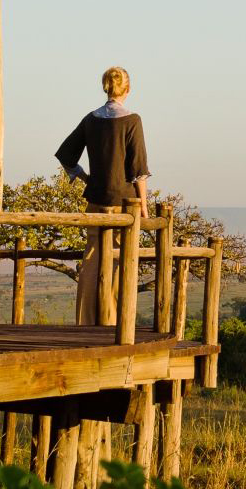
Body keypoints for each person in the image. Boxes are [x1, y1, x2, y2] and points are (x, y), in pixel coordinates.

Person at [55, 66, 149, 323]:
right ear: (127, 90)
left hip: (96, 200)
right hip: (124, 204)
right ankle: (114, 321)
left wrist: (84, 176)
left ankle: (86, 320)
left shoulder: (91, 119)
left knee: (92, 258)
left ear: (105, 87)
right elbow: (138, 171)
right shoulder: (132, 120)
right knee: (119, 261)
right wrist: (144, 207)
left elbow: (65, 155)